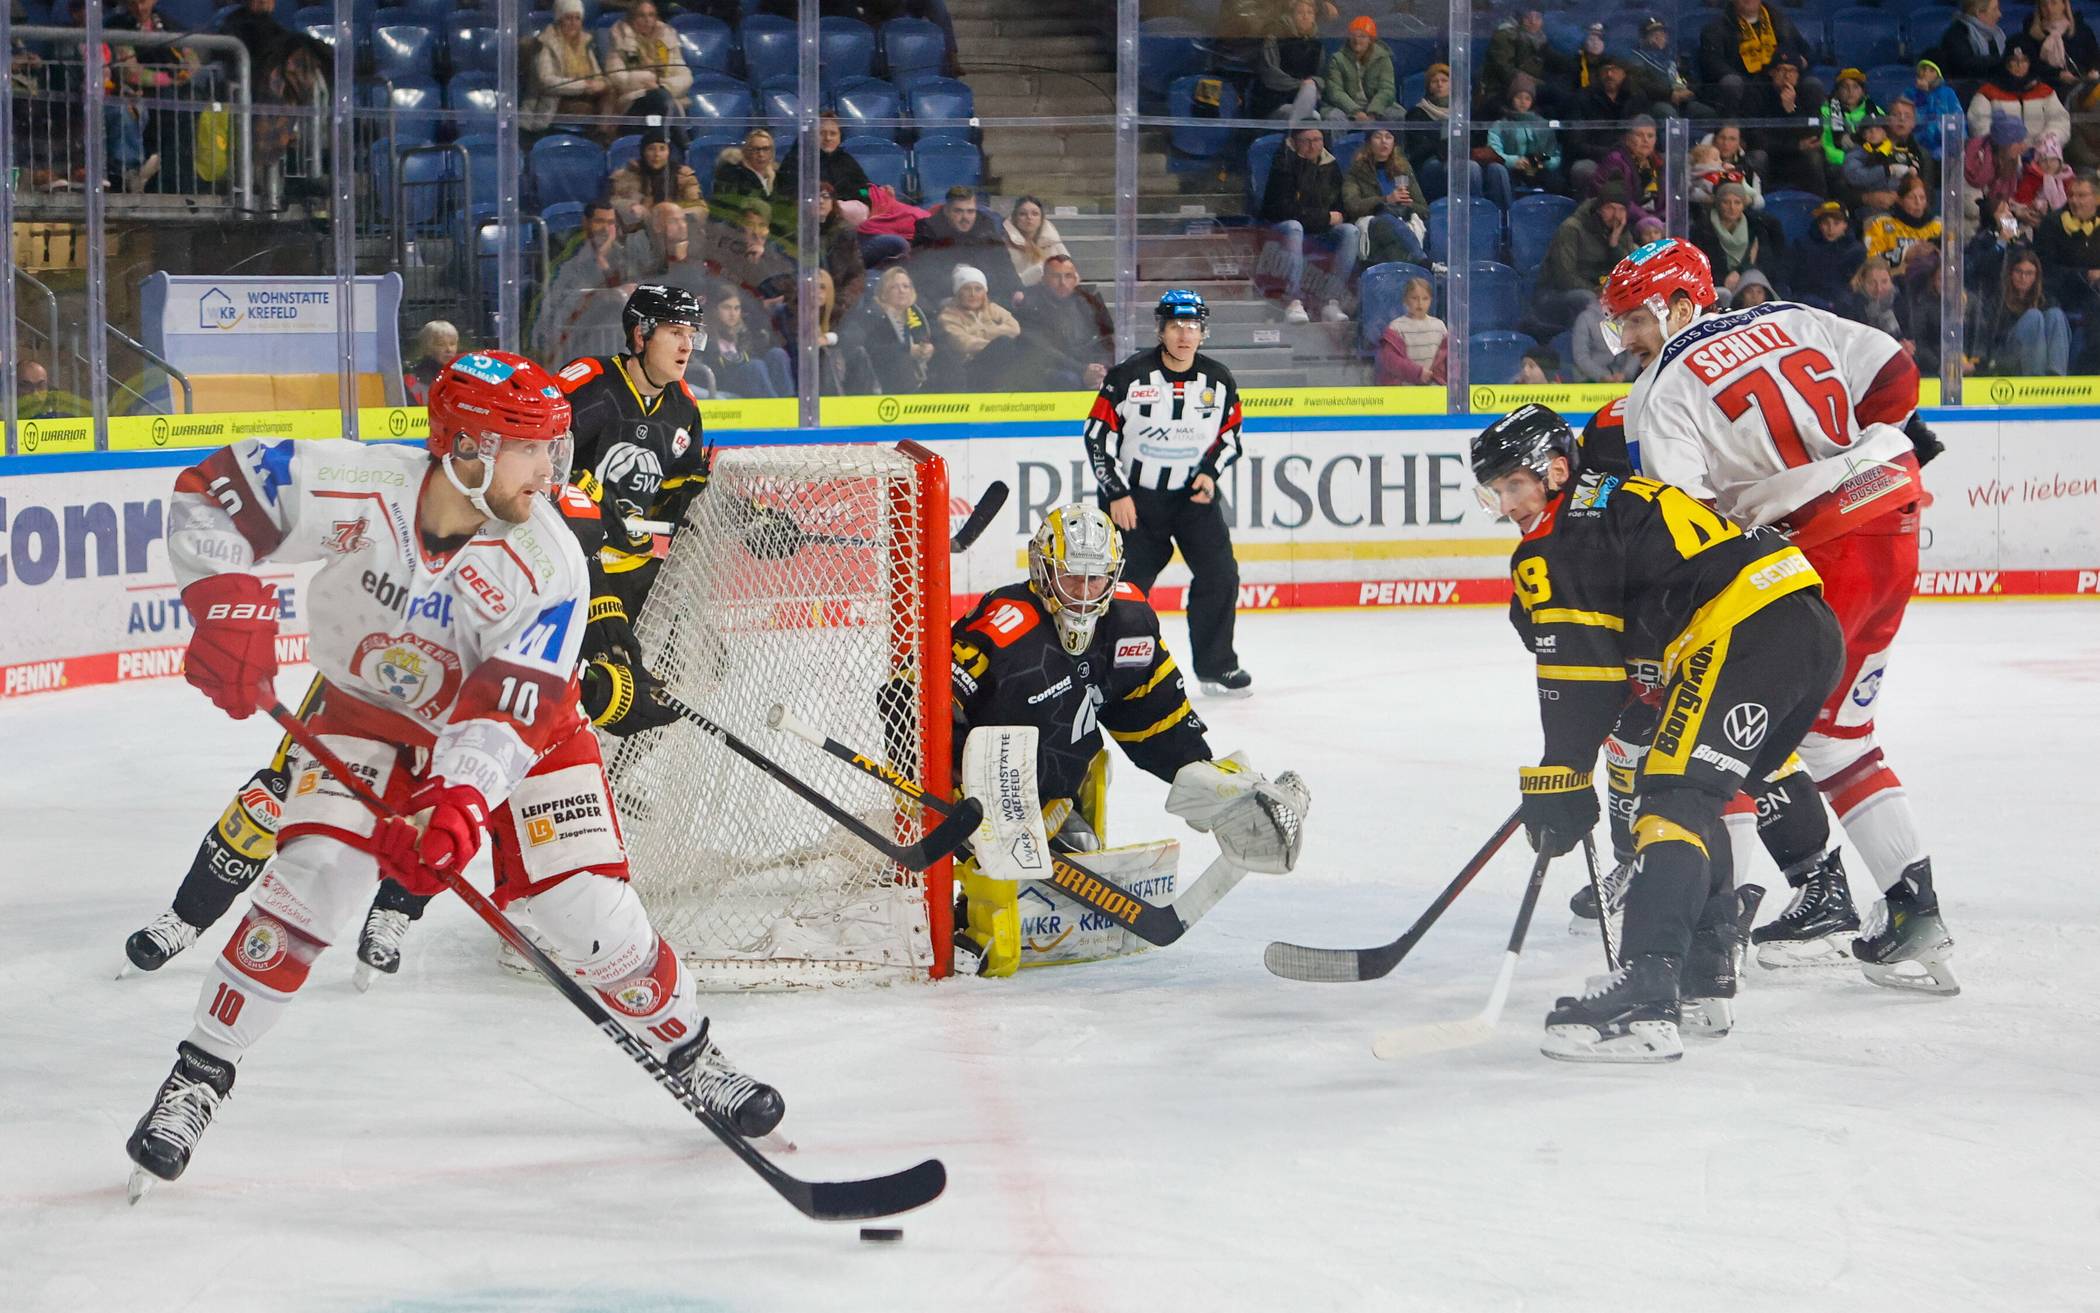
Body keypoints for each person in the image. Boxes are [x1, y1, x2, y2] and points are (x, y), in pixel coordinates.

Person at [123, 352, 782, 1197]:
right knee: (310, 879)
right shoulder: (360, 485)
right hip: (372, 717)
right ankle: (198, 1075)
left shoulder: (550, 561)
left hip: (526, 733)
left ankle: (694, 1054)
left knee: (591, 912)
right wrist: (223, 601)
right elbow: (214, 489)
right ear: (468, 448)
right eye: (531, 448)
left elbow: (508, 710)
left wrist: (456, 805)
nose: (550, 470)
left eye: (552, 447)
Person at [1603, 237, 1957, 991]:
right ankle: (1914, 912)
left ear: (1680, 304)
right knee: (1838, 736)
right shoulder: (1792, 316)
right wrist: (1849, 452)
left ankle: (1716, 938)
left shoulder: (1659, 390)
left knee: (1718, 734)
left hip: (1806, 558)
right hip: (1892, 525)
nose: (1627, 338)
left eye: (1634, 318)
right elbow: (1896, 375)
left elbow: (1686, 521)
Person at [1474, 403, 1842, 1062]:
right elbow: (1618, 660)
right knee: (1692, 795)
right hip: (1804, 628)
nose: (1506, 506)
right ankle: (1704, 972)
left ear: (1555, 471)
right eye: (1495, 492)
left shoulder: (1561, 538)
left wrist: (1562, 772)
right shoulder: (1610, 502)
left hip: (1740, 629)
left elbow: (1580, 671)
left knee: (1671, 800)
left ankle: (1645, 992)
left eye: (1514, 485)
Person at [945, 504, 1307, 975]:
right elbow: (922, 701)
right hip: (972, 804)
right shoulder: (1004, 627)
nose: (1084, 594)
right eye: (1072, 577)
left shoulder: (1129, 625)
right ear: (1043, 571)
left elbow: (1157, 718)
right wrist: (954, 784)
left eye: (1096, 579)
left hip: (1054, 805)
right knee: (998, 929)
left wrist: (1224, 794)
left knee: (1071, 870)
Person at [1084, 291, 1250, 696]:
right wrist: (1116, 492)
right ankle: (1109, 671)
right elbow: (1097, 436)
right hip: (1134, 501)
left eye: (1192, 326)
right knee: (1126, 588)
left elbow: (1230, 437)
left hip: (1192, 500)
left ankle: (1216, 666)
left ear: (1203, 332)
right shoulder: (1128, 376)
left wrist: (1209, 474)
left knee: (1220, 575)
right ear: (1160, 330)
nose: (1184, 335)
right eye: (1176, 326)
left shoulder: (1219, 380)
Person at [1257, 125, 1360, 325]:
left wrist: (1331, 218)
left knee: (1350, 231)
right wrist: (1325, 218)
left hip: (1320, 229)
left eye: (1317, 140)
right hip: (1282, 229)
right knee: (1294, 227)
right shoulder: (1284, 165)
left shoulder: (1330, 165)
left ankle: (1331, 301)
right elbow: (1284, 210)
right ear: (1295, 142)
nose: (1313, 146)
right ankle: (1293, 301)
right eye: (1307, 141)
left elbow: (1341, 210)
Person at [534, 201, 640, 363]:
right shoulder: (569, 260)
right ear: (586, 223)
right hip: (577, 349)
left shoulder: (627, 257)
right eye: (600, 221)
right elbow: (558, 302)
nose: (605, 229)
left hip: (617, 347)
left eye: (611, 223)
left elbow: (632, 293)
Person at [1527, 183, 1635, 339]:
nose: (1616, 215)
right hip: (1555, 294)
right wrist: (1597, 292)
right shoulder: (1572, 228)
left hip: (1601, 292)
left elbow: (1630, 272)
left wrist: (1614, 244)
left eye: (1621, 210)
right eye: (1610, 208)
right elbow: (1564, 276)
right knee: (1587, 298)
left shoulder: (1621, 232)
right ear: (1599, 209)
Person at [1012, 254, 1115, 390]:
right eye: (1056, 276)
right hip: (1051, 369)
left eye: (1068, 276)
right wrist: (1082, 370)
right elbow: (1039, 348)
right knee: (1069, 380)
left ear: (1075, 279)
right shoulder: (1030, 303)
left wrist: (1101, 369)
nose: (1063, 282)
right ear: (1044, 279)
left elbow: (1107, 341)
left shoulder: (1089, 300)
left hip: (1089, 366)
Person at [1965, 245, 2070, 373]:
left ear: (2036, 276)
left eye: (2029, 273)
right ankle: (2035, 379)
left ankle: (2056, 376)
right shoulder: (1998, 300)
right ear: (2010, 273)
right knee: (2034, 317)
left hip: (2042, 358)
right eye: (2018, 272)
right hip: (2005, 357)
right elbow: (1989, 340)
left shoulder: (2046, 300)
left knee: (2056, 315)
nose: (2023, 277)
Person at [1697, 0, 1817, 112]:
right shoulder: (1717, 27)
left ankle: (1812, 126)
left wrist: (1792, 68)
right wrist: (1748, 84)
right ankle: (1731, 126)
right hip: (1743, 89)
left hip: (1778, 86)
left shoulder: (1779, 21)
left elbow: (1806, 52)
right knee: (1732, 83)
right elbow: (1713, 63)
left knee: (1812, 84)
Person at [524, 0, 616, 136]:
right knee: (587, 108)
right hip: (555, 101)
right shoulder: (546, 43)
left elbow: (598, 76)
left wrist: (602, 84)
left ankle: (603, 135)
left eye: (577, 18)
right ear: (559, 20)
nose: (573, 23)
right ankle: (599, 137)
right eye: (568, 18)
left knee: (610, 91)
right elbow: (546, 82)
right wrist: (584, 85)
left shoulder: (585, 43)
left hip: (583, 96)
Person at [1342, 127, 1429, 266]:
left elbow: (1423, 209)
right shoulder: (1356, 171)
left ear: (1394, 142)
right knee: (1386, 220)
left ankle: (1402, 271)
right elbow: (1352, 205)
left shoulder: (1403, 169)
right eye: (1378, 137)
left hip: (1402, 221)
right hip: (1371, 223)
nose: (1384, 141)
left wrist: (1407, 205)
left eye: (1388, 137)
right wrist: (1386, 200)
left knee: (1395, 243)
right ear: (1369, 142)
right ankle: (1423, 262)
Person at [848, 266, 937, 393]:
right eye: (894, 287)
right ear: (884, 292)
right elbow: (873, 350)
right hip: (887, 380)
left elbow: (934, 338)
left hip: (921, 375)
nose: (902, 291)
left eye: (906, 286)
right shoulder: (874, 315)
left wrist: (929, 349)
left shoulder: (920, 312)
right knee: (901, 361)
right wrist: (907, 351)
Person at [935, 264, 1023, 387]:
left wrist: (981, 332)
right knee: (1005, 343)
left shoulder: (992, 308)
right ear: (958, 292)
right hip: (971, 367)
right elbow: (964, 343)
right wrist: (996, 343)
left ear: (984, 292)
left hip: (1001, 359)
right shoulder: (948, 316)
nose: (973, 294)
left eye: (978, 289)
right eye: (966, 289)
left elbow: (1014, 328)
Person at [602, 0, 692, 120]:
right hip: (634, 99)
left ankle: (665, 129)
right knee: (661, 102)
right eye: (641, 15)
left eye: (651, 15)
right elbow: (616, 76)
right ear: (632, 18)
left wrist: (662, 86)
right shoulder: (621, 40)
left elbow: (683, 74)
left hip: (665, 93)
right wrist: (645, 82)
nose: (647, 20)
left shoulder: (666, 40)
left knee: (662, 100)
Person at [1967, 45, 2071, 145]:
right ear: (2006, 63)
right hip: (2002, 152)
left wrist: (2048, 139)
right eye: (2014, 60)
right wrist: (2003, 143)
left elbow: (2059, 120)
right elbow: (1978, 123)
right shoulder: (1987, 92)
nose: (2019, 65)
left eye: (2024, 60)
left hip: (2041, 151)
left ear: (2030, 64)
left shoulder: (2045, 91)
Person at [1691, 181, 1777, 296]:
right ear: (1718, 204)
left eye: (1737, 203)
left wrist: (1739, 272)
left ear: (1743, 205)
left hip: (1747, 282)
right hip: (1714, 285)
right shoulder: (1702, 229)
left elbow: (1763, 262)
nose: (1732, 207)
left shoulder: (1755, 228)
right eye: (1726, 202)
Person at [610, 127, 702, 233]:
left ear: (669, 152)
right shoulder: (627, 174)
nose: (657, 154)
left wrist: (676, 214)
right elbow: (612, 202)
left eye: (662, 149)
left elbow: (698, 207)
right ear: (643, 152)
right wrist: (630, 207)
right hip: (637, 230)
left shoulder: (683, 176)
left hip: (673, 230)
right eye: (651, 149)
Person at [710, 128, 793, 242]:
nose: (761, 154)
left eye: (765, 149)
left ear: (772, 152)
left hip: (773, 235)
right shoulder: (733, 173)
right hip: (740, 234)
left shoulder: (778, 176)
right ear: (746, 151)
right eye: (756, 149)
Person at [1486, 75, 1563, 198]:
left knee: (1557, 180)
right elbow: (1493, 153)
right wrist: (1514, 161)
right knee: (1498, 172)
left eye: (1527, 98)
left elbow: (1555, 155)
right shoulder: (1500, 125)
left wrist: (1544, 161)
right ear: (1512, 99)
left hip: (1539, 170)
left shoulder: (1543, 125)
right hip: (1511, 170)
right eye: (1519, 97)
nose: (1523, 101)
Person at [1787, 200, 1866, 311]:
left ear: (1845, 225)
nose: (1830, 228)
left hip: (1842, 307)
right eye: (1825, 223)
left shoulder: (1857, 251)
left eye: (1836, 223)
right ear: (1819, 224)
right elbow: (1791, 277)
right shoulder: (1802, 245)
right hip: (1806, 304)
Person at [1251, 0, 1325, 120]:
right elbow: (1271, 75)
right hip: (1275, 102)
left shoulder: (1317, 46)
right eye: (1300, 13)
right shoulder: (1275, 39)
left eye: (1310, 13)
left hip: (1305, 99)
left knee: (1311, 91)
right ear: (1291, 16)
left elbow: (1320, 77)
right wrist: (1300, 84)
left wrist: (1312, 84)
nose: (1305, 17)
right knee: (1311, 114)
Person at [1321, 15, 1395, 123]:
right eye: (1353, 36)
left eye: (1362, 36)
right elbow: (1335, 91)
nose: (1356, 40)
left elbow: (1387, 89)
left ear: (1371, 40)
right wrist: (1355, 111)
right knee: (1334, 117)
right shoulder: (1337, 59)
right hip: (1344, 107)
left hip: (1375, 106)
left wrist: (1373, 111)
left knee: (1397, 115)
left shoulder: (1383, 58)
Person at [1374, 275, 1447, 386]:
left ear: (1431, 300)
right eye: (1414, 298)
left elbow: (1450, 358)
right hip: (1404, 387)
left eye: (1425, 298)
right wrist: (1416, 373)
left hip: (1433, 387)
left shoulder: (1439, 326)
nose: (1420, 303)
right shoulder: (1396, 327)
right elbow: (1390, 360)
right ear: (1405, 300)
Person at [1930, 0, 2010, 96]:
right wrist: (2003, 62)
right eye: (1994, 9)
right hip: (1967, 91)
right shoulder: (1957, 34)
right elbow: (1965, 65)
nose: (1999, 14)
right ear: (1979, 13)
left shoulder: (1997, 35)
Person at [1863, 174, 1945, 267]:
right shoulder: (1880, 224)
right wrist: (1904, 254)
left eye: (1922, 198)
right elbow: (1871, 260)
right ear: (1900, 200)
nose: (1918, 203)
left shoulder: (1939, 225)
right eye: (1911, 197)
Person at [2019, 0, 2100, 90]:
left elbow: (2094, 56)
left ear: (2064, 5)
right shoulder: (2031, 34)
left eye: (2054, 3)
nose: (2049, 9)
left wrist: (2093, 70)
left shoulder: (2082, 29)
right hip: (2048, 86)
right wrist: (2058, 74)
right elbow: (2032, 64)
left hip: (2082, 83)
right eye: (2044, 5)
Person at [1001, 195, 1070, 291]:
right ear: (1015, 218)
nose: (1029, 217)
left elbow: (1070, 273)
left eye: (1035, 214)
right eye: (1022, 214)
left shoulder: (1054, 243)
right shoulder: (1003, 245)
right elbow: (1003, 281)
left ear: (1041, 218)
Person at [403, 319, 459, 406]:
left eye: (452, 344)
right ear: (427, 348)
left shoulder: (464, 376)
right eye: (441, 344)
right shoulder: (411, 380)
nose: (449, 349)